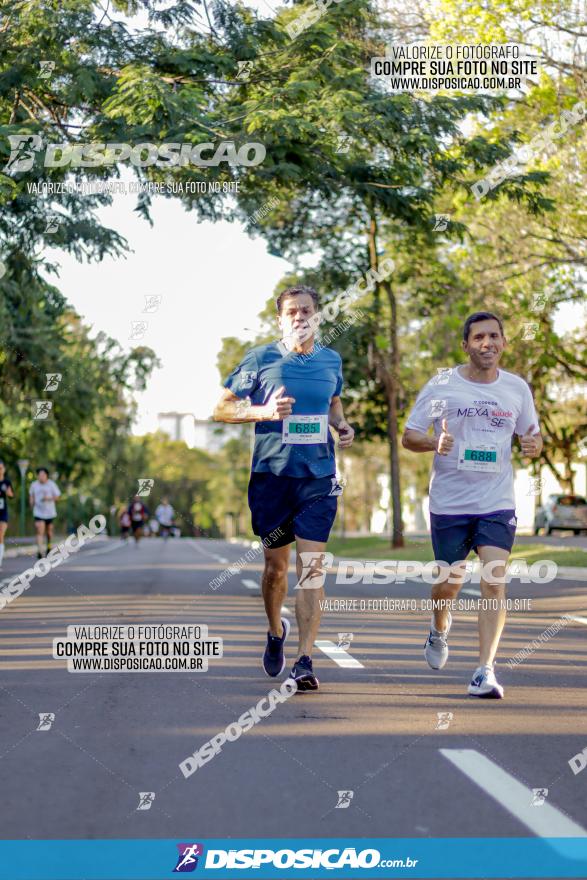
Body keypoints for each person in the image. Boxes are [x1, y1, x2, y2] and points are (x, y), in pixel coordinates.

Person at [214, 285, 354, 691]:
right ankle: (276, 630)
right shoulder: (261, 358)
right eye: (291, 311)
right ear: (280, 319)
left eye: (306, 310)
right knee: (275, 569)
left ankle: (305, 660)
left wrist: (341, 425)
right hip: (272, 477)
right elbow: (221, 407)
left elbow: (334, 403)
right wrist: (262, 410)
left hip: (318, 478)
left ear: (318, 316)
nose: (299, 317)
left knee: (311, 570)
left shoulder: (331, 360)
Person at [402, 311, 542, 699]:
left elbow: (534, 435)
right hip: (449, 503)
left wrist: (533, 445)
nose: (488, 343)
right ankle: (439, 626)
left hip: (496, 501)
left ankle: (485, 670)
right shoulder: (442, 386)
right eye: (479, 337)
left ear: (503, 342)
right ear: (466, 345)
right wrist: (433, 443)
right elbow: (409, 436)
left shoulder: (516, 388)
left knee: (494, 581)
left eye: (494, 336)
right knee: (449, 583)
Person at [29, 467, 61, 559]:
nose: (41, 477)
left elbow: (58, 497)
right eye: (39, 475)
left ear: (46, 476)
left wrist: (49, 498)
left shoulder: (52, 484)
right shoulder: (34, 485)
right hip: (38, 512)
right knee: (40, 530)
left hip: (50, 512)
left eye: (43, 475)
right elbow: (31, 496)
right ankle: (39, 551)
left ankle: (49, 547)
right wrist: (31, 503)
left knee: (49, 532)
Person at [0, 461, 15, 569]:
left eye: (1, 468)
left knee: (0, 535)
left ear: (4, 469)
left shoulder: (6, 482)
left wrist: (7, 491)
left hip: (2, 513)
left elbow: (11, 495)